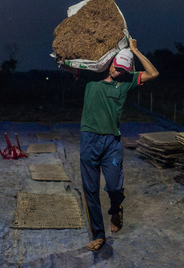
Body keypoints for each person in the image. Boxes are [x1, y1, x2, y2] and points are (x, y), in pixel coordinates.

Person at [66, 38, 159, 251]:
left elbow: (154, 74)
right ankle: (99, 235)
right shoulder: (91, 75)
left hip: (112, 142)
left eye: (123, 70)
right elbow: (67, 66)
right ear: (110, 63)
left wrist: (135, 50)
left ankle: (116, 210)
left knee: (115, 186)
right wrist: (65, 57)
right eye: (117, 68)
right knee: (90, 189)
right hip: (89, 140)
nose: (118, 72)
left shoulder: (127, 81)